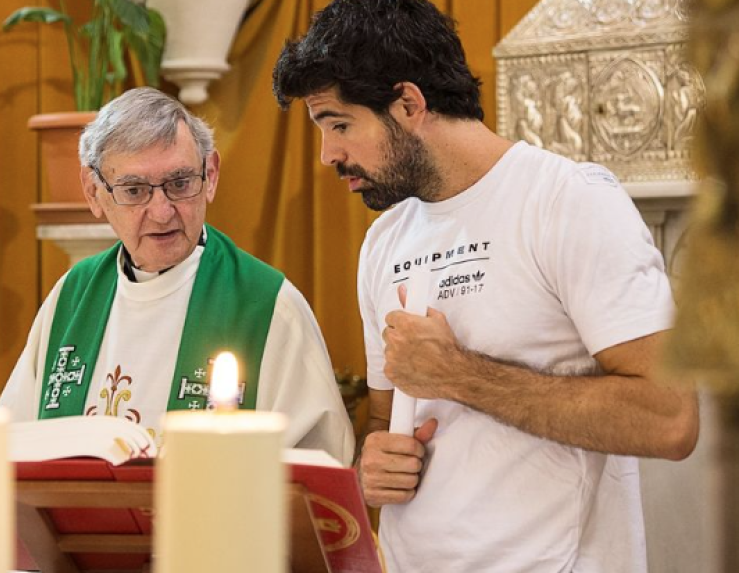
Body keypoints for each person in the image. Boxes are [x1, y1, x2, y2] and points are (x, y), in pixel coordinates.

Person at [272, 1, 699, 571]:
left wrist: (459, 374)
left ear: (409, 104)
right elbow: (386, 421)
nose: (329, 154)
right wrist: (371, 464)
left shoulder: (568, 200)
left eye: (340, 125)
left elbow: (670, 419)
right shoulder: (383, 240)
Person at [0, 87, 354, 465]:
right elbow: (13, 450)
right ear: (94, 193)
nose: (162, 211)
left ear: (210, 175)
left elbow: (319, 472)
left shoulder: (266, 306)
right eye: (134, 191)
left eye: (180, 184)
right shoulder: (72, 297)